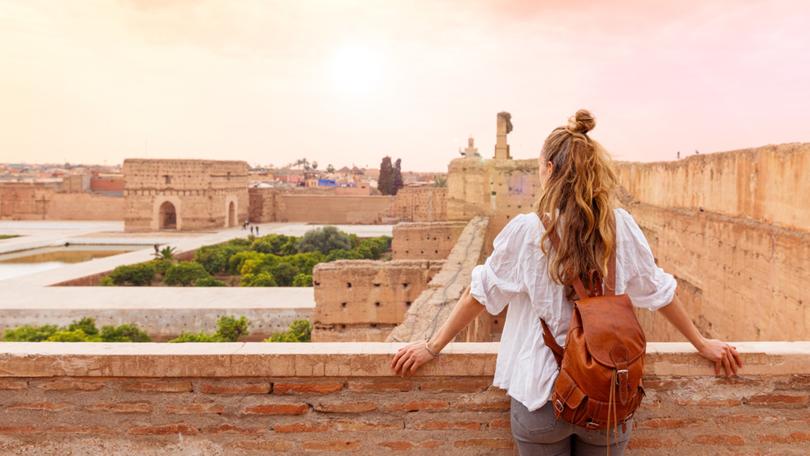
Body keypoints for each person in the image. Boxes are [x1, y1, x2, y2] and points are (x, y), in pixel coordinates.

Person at [390, 109, 743, 455]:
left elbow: (477, 295)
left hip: (541, 398)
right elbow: (659, 292)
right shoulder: (620, 227)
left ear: (549, 170)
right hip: (607, 397)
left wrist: (432, 347)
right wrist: (701, 343)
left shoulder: (529, 231)